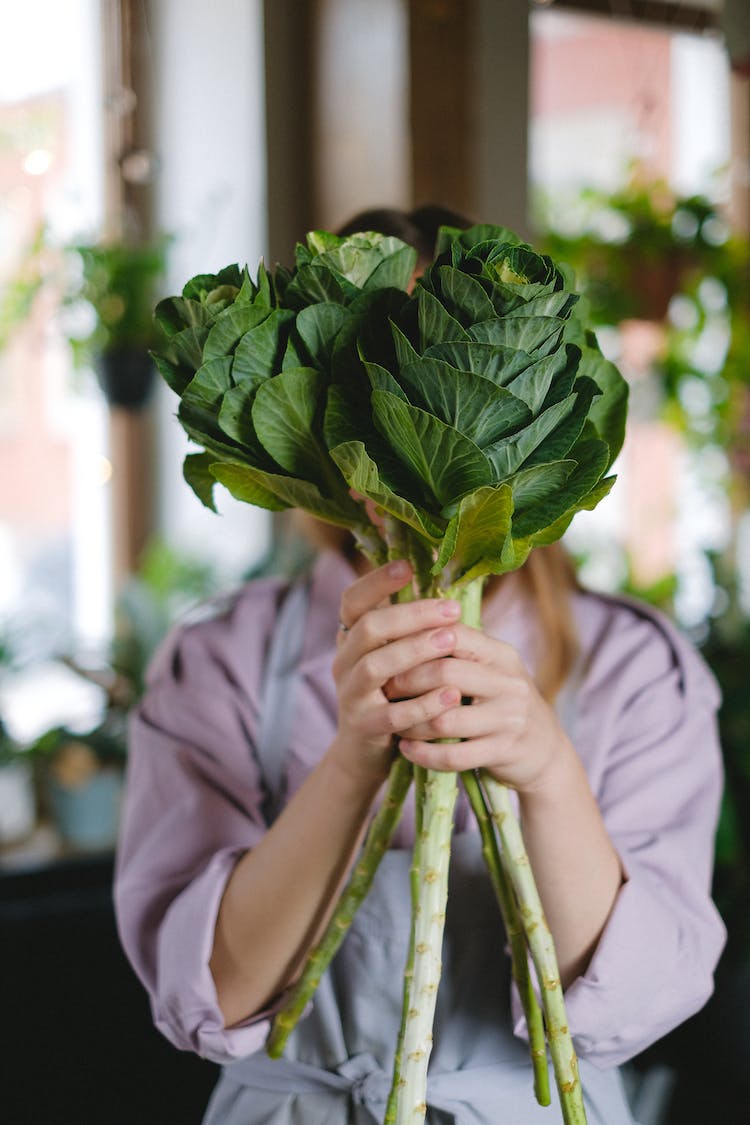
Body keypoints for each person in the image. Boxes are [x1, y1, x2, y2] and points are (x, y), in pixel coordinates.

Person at [113, 207, 727, 1125]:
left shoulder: (640, 667)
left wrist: (550, 773)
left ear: (529, 405)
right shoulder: (219, 657)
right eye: (360, 386)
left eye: (424, 384)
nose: (395, 427)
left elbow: (636, 1009)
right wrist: (352, 761)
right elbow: (212, 992)